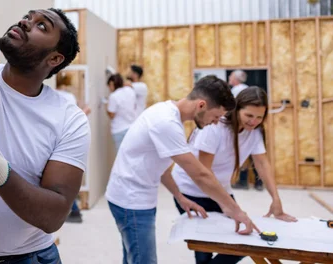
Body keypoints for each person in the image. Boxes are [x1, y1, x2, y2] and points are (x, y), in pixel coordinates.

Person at [0, 8, 90, 263]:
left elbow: (54, 215)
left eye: (42, 26)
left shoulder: (69, 119)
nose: (25, 22)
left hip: (29, 257)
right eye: (29, 17)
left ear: (55, 59)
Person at [105, 75, 260, 264]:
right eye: (216, 117)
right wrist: (236, 211)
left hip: (132, 195)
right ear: (201, 105)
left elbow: (160, 168)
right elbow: (201, 174)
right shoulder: (166, 123)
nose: (215, 122)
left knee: (132, 257)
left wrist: (180, 197)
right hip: (131, 201)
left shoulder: (168, 114)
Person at [170, 86, 297, 264]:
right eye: (249, 116)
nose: (254, 122)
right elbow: (204, 173)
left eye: (259, 117)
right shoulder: (214, 127)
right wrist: (227, 205)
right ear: (237, 110)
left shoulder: (255, 132)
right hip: (191, 189)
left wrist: (276, 199)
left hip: (219, 189)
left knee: (244, 239)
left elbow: (262, 163)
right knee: (205, 248)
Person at [56, 73, 92, 223]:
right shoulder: (70, 96)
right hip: (71, 136)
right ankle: (74, 210)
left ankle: (74, 210)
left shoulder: (55, 95)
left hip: (58, 136)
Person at [228, 70, 263, 190]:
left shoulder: (235, 90)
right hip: (251, 129)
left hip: (241, 127)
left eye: (231, 77)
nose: (229, 78)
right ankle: (258, 183)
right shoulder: (248, 89)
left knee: (242, 154)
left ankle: (243, 182)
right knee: (254, 156)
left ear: (236, 79)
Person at [106, 73, 137, 150]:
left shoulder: (113, 96)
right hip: (131, 128)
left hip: (119, 130)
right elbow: (134, 106)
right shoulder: (130, 91)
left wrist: (106, 106)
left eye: (109, 86)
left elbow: (111, 115)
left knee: (121, 157)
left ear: (112, 84)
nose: (109, 88)